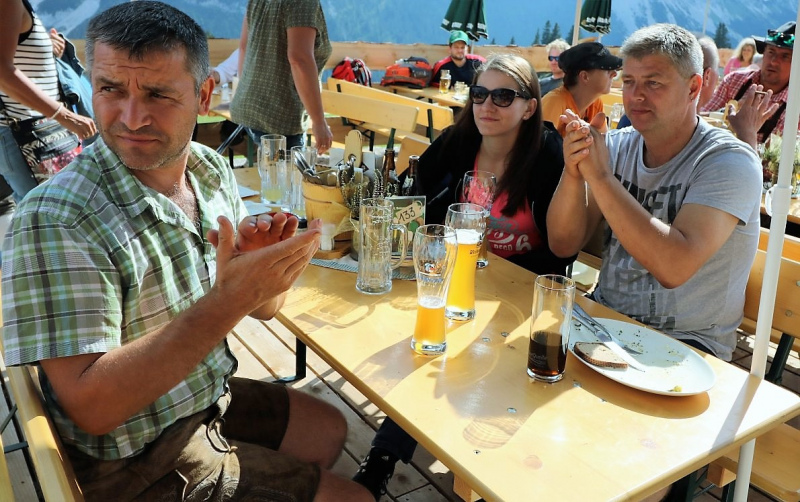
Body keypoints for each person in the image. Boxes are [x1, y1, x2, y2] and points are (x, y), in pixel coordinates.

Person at [0, 2, 372, 501]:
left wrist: (259, 274)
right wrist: (230, 299)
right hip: (132, 458)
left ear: (204, 94)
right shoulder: (58, 218)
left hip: (200, 395)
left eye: (157, 94)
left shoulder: (208, 170)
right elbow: (92, 408)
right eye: (110, 89)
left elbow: (265, 310)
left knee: (329, 430)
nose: (132, 117)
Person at [353, 54, 575, 500]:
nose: (487, 105)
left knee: (442, 351)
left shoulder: (548, 154)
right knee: (427, 344)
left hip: (520, 300)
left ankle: (391, 459)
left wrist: (577, 172)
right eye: (479, 94)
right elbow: (410, 191)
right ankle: (383, 458)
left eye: (503, 96)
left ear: (529, 107)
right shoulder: (459, 141)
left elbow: (564, 247)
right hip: (456, 282)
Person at [547, 23, 762, 364]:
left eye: (653, 83)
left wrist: (600, 177)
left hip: (688, 347)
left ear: (694, 87)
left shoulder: (729, 161)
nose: (635, 96)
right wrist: (574, 171)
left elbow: (674, 267)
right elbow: (562, 245)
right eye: (629, 81)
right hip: (602, 322)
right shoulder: (615, 146)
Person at [0, 0, 96, 202]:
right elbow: (2, 71)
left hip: (34, 134)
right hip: (27, 134)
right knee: (56, 209)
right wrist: (64, 115)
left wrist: (43, 45)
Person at [231, 0, 332, 153]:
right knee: (285, 168)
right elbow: (299, 60)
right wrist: (319, 121)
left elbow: (244, 47)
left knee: (267, 166)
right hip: (280, 116)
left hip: (247, 105)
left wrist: (246, 90)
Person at [701, 22, 796, 145]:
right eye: (771, 52)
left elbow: (781, 153)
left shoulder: (795, 107)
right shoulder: (733, 81)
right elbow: (700, 119)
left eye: (785, 56)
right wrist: (725, 113)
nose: (773, 61)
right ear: (763, 53)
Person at [540, 41, 621, 136]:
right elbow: (538, 144)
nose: (614, 74)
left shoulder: (596, 103)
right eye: (607, 69)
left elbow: (604, 142)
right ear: (585, 76)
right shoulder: (555, 102)